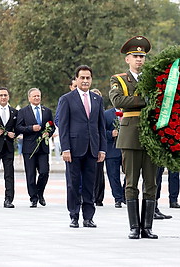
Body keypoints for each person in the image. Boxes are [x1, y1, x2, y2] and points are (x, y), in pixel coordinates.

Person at [109, 36, 158, 239]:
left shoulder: (153, 78)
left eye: (142, 56)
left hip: (151, 135)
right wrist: (145, 100)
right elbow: (118, 100)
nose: (139, 60)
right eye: (135, 56)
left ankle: (147, 227)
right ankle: (134, 227)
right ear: (127, 59)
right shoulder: (118, 79)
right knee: (131, 182)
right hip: (130, 134)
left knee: (151, 182)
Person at [57, 65, 107, 228]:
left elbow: (101, 126)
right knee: (73, 183)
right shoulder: (67, 99)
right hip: (73, 149)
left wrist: (102, 148)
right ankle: (74, 215)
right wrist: (65, 148)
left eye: (88, 78)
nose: (85, 81)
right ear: (76, 80)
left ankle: (88, 217)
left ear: (91, 80)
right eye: (82, 78)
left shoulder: (97, 99)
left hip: (92, 148)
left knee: (89, 184)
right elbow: (63, 126)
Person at [16, 88, 55, 208]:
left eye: (38, 96)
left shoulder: (47, 111)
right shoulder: (23, 111)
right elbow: (18, 128)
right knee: (30, 175)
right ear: (29, 98)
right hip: (29, 147)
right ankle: (33, 198)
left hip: (43, 147)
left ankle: (40, 193)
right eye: (34, 96)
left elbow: (52, 126)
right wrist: (31, 128)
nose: (37, 98)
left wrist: (48, 133)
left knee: (44, 172)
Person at [104, 107, 126, 208]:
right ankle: (118, 198)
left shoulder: (130, 112)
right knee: (113, 175)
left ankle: (125, 194)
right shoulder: (107, 114)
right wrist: (110, 134)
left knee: (131, 173)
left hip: (127, 149)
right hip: (112, 150)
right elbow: (100, 131)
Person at [90, 88, 106, 206]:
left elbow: (102, 130)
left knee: (99, 173)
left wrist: (102, 149)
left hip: (97, 145)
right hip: (85, 145)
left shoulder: (102, 113)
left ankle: (98, 197)